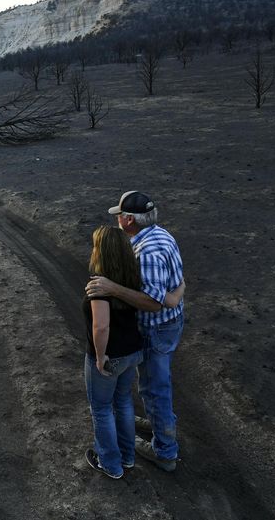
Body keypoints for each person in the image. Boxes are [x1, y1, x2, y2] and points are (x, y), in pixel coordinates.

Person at [86, 191, 185, 472]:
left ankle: (165, 452)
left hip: (157, 328)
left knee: (155, 389)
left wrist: (112, 288)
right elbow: (173, 283)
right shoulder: (160, 234)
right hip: (171, 320)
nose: (117, 218)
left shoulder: (147, 254)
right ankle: (155, 425)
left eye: (119, 214)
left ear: (128, 220)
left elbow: (153, 304)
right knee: (151, 385)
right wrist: (178, 294)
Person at [82, 225, 145, 480]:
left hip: (111, 357)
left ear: (101, 251)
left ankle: (110, 463)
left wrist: (99, 357)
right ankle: (128, 458)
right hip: (133, 351)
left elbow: (101, 326)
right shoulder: (131, 277)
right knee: (123, 403)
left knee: (101, 408)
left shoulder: (99, 284)